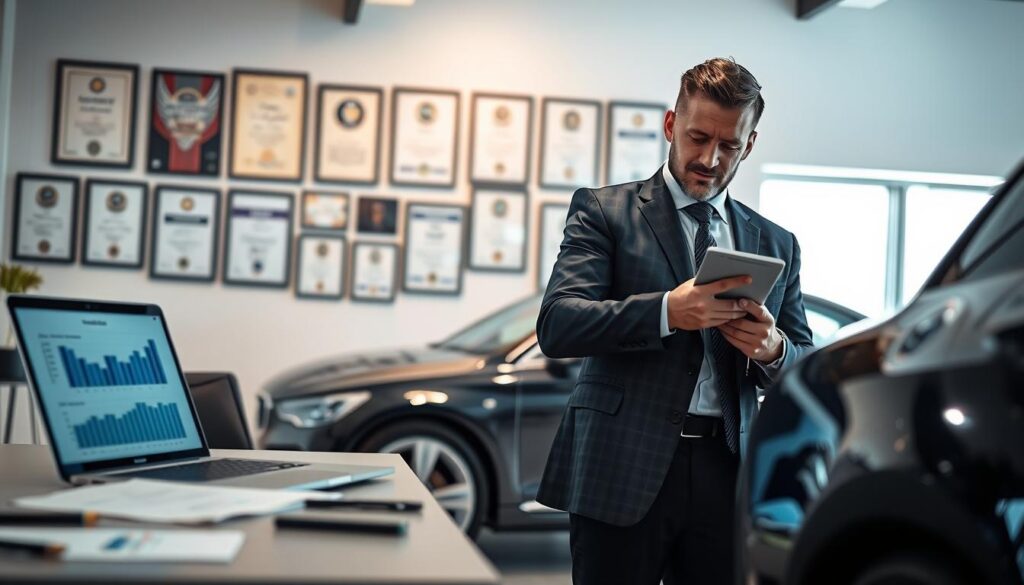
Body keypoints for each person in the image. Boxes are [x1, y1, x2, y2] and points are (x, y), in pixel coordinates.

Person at [536, 57, 815, 585]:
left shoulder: (777, 244)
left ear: (749, 145)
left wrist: (773, 348)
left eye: (729, 145)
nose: (710, 158)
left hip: (725, 472)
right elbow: (558, 324)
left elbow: (805, 361)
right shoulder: (604, 211)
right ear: (671, 126)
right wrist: (668, 311)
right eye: (698, 137)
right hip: (621, 467)